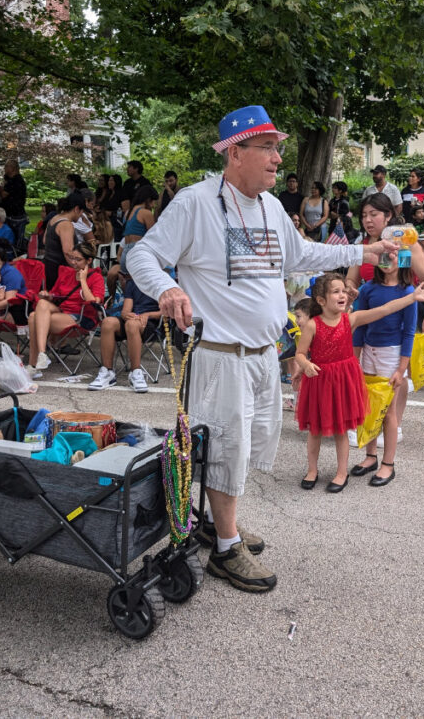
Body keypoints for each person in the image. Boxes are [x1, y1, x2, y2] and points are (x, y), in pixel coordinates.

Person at [126, 104, 398, 594]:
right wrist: (166, 289)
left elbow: (302, 255)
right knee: (225, 449)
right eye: (267, 147)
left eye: (278, 147)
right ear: (235, 153)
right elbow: (141, 253)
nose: (277, 157)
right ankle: (226, 550)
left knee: (241, 447)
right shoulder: (194, 202)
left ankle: (214, 524)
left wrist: (362, 252)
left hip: (261, 357)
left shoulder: (271, 207)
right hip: (218, 356)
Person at [295, 271, 424, 491]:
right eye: (335, 291)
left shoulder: (351, 319)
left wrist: (412, 298)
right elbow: (300, 353)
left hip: (343, 382)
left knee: (341, 431)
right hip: (319, 382)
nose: (342, 295)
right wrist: (306, 365)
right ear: (321, 300)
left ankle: (341, 473)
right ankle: (312, 470)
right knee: (314, 430)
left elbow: (383, 310)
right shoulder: (313, 325)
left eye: (343, 291)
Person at [349, 263, 424, 488]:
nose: (387, 261)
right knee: (369, 406)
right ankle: (371, 456)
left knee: (388, 411)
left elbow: (409, 331)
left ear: (402, 260)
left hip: (391, 354)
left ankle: (388, 463)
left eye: (393, 256)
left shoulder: (408, 292)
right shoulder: (367, 289)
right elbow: (361, 326)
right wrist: (355, 359)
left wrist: (401, 369)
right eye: (383, 256)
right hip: (368, 351)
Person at [29, 242, 105, 376]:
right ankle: (41, 354)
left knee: (34, 318)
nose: (74, 263)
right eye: (72, 258)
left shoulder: (96, 277)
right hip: (62, 312)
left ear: (89, 260)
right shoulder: (67, 273)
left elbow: (94, 303)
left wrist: (83, 280)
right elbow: (56, 295)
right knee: (41, 304)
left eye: (78, 259)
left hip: (83, 317)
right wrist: (48, 295)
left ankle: (33, 364)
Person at [88, 271, 162, 393]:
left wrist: (147, 314)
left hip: (152, 322)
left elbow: (166, 313)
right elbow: (125, 311)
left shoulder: (161, 283)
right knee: (108, 322)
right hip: (133, 319)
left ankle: (136, 372)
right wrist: (128, 315)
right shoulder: (132, 283)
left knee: (131, 325)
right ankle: (107, 372)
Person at [42, 194, 85, 290]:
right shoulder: (66, 224)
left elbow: (45, 240)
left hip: (47, 265)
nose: (82, 215)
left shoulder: (54, 218)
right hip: (59, 270)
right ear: (77, 209)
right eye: (82, 211)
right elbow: (68, 251)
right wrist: (78, 268)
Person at [0, 160, 28, 251]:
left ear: (12, 168)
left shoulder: (15, 180)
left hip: (15, 215)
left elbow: (4, 194)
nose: (5, 168)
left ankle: (15, 253)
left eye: (6, 166)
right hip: (11, 213)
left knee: (15, 238)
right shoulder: (11, 180)